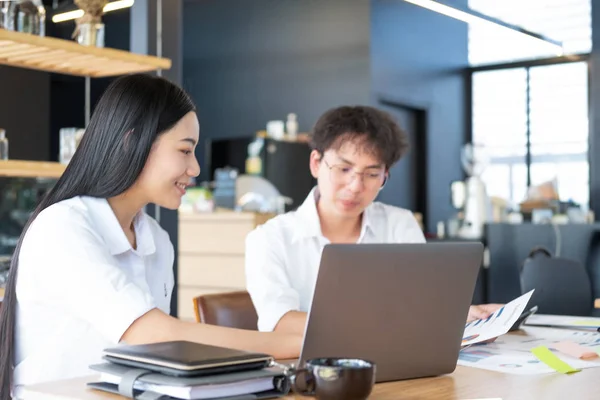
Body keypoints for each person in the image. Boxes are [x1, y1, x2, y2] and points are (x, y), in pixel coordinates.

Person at [0, 75, 301, 400]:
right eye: (185, 150)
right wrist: (293, 344)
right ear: (132, 142)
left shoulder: (155, 238)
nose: (196, 168)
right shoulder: (63, 227)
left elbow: (155, 358)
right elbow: (157, 336)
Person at [245, 105, 502, 334]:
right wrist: (384, 322)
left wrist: (452, 316)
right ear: (316, 163)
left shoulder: (399, 225)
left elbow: (421, 303)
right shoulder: (269, 239)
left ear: (384, 176)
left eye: (371, 174)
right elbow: (280, 323)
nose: (356, 186)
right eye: (344, 169)